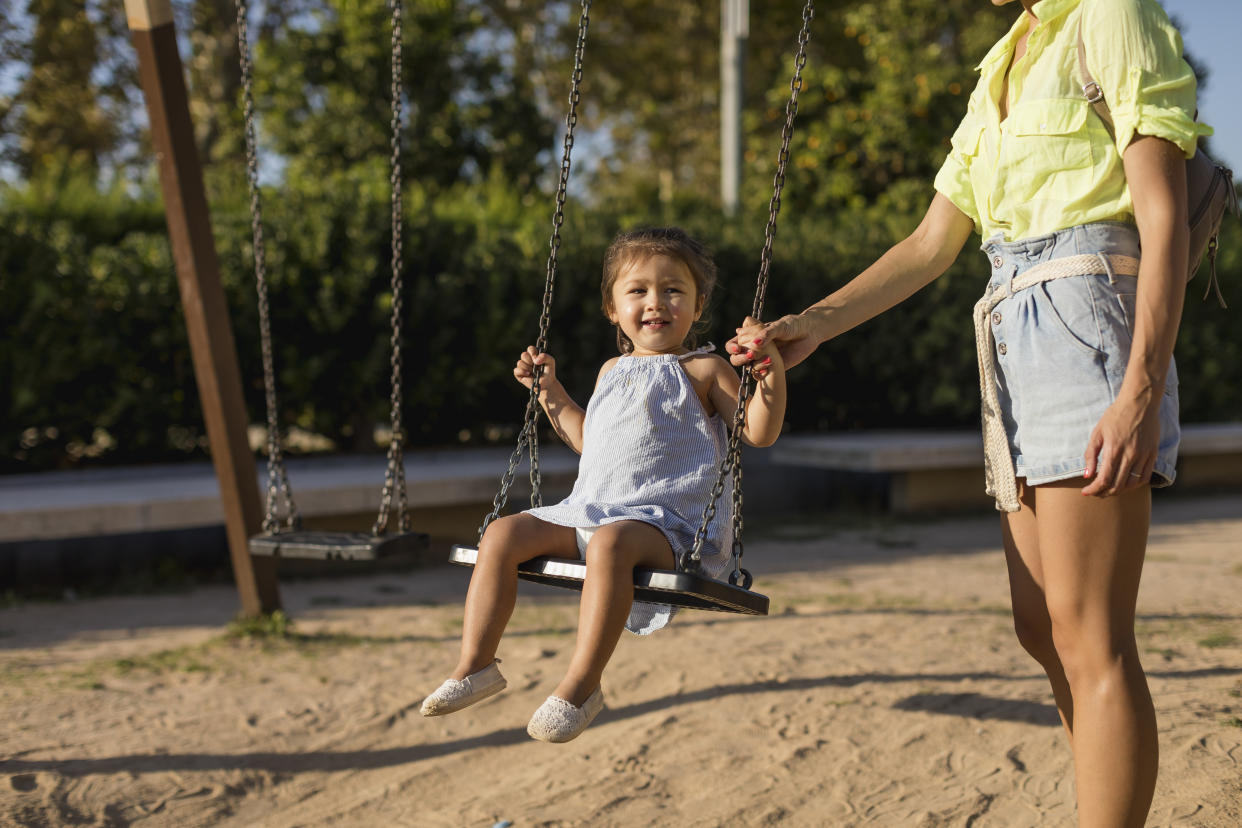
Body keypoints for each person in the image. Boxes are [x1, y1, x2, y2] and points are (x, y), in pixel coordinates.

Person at [729, 0, 1208, 824]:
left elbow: (1162, 219)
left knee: (1092, 635)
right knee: (1041, 627)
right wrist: (810, 325)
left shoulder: (1113, 14)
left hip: (1086, 318)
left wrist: (1139, 391)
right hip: (1010, 331)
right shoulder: (1002, 59)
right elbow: (929, 244)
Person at [422, 226, 787, 743]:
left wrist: (768, 375)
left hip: (668, 529)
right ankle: (475, 664)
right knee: (502, 533)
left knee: (614, 540)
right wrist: (550, 393)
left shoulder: (704, 369)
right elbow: (588, 438)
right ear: (613, 308)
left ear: (698, 304)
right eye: (637, 290)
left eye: (673, 290)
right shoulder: (611, 370)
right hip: (588, 513)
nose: (655, 302)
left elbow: (758, 431)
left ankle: (581, 684)